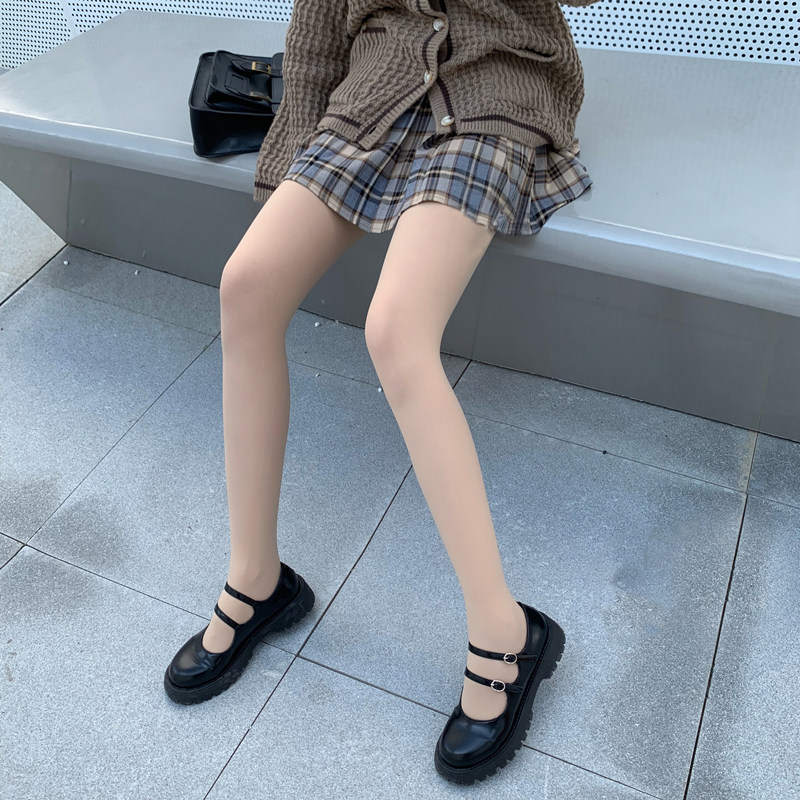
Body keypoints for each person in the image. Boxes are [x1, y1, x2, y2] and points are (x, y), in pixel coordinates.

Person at [165, 0, 600, 783]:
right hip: (373, 91)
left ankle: (507, 630)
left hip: (494, 89)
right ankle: (257, 579)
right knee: (247, 287)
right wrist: (288, 178)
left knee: (396, 331)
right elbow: (316, 33)